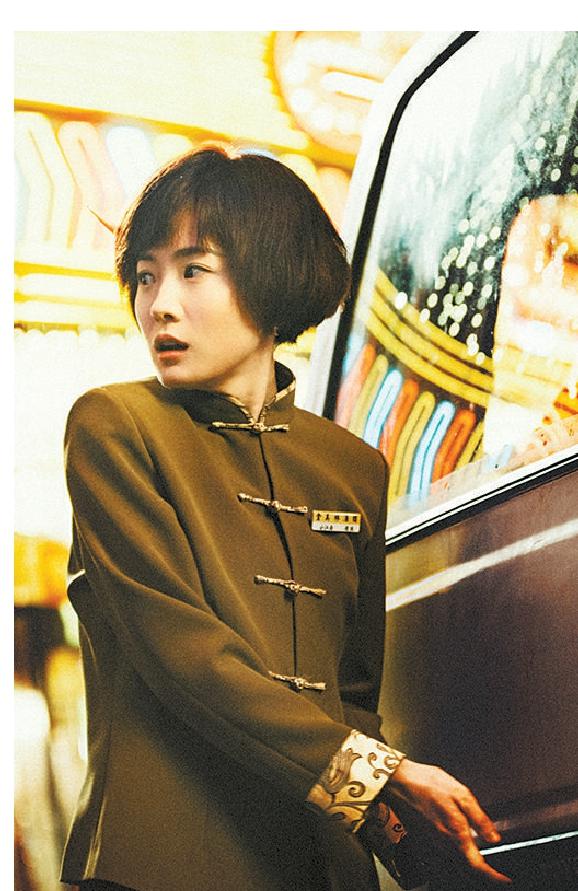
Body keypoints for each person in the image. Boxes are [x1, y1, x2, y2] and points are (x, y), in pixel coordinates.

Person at [61, 146, 511, 891]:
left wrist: (416, 851)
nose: (160, 304)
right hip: (160, 866)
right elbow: (185, 655)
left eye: (192, 271)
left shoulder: (353, 467)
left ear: (273, 277)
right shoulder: (113, 427)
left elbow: (352, 699)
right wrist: (381, 772)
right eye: (145, 276)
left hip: (320, 869)